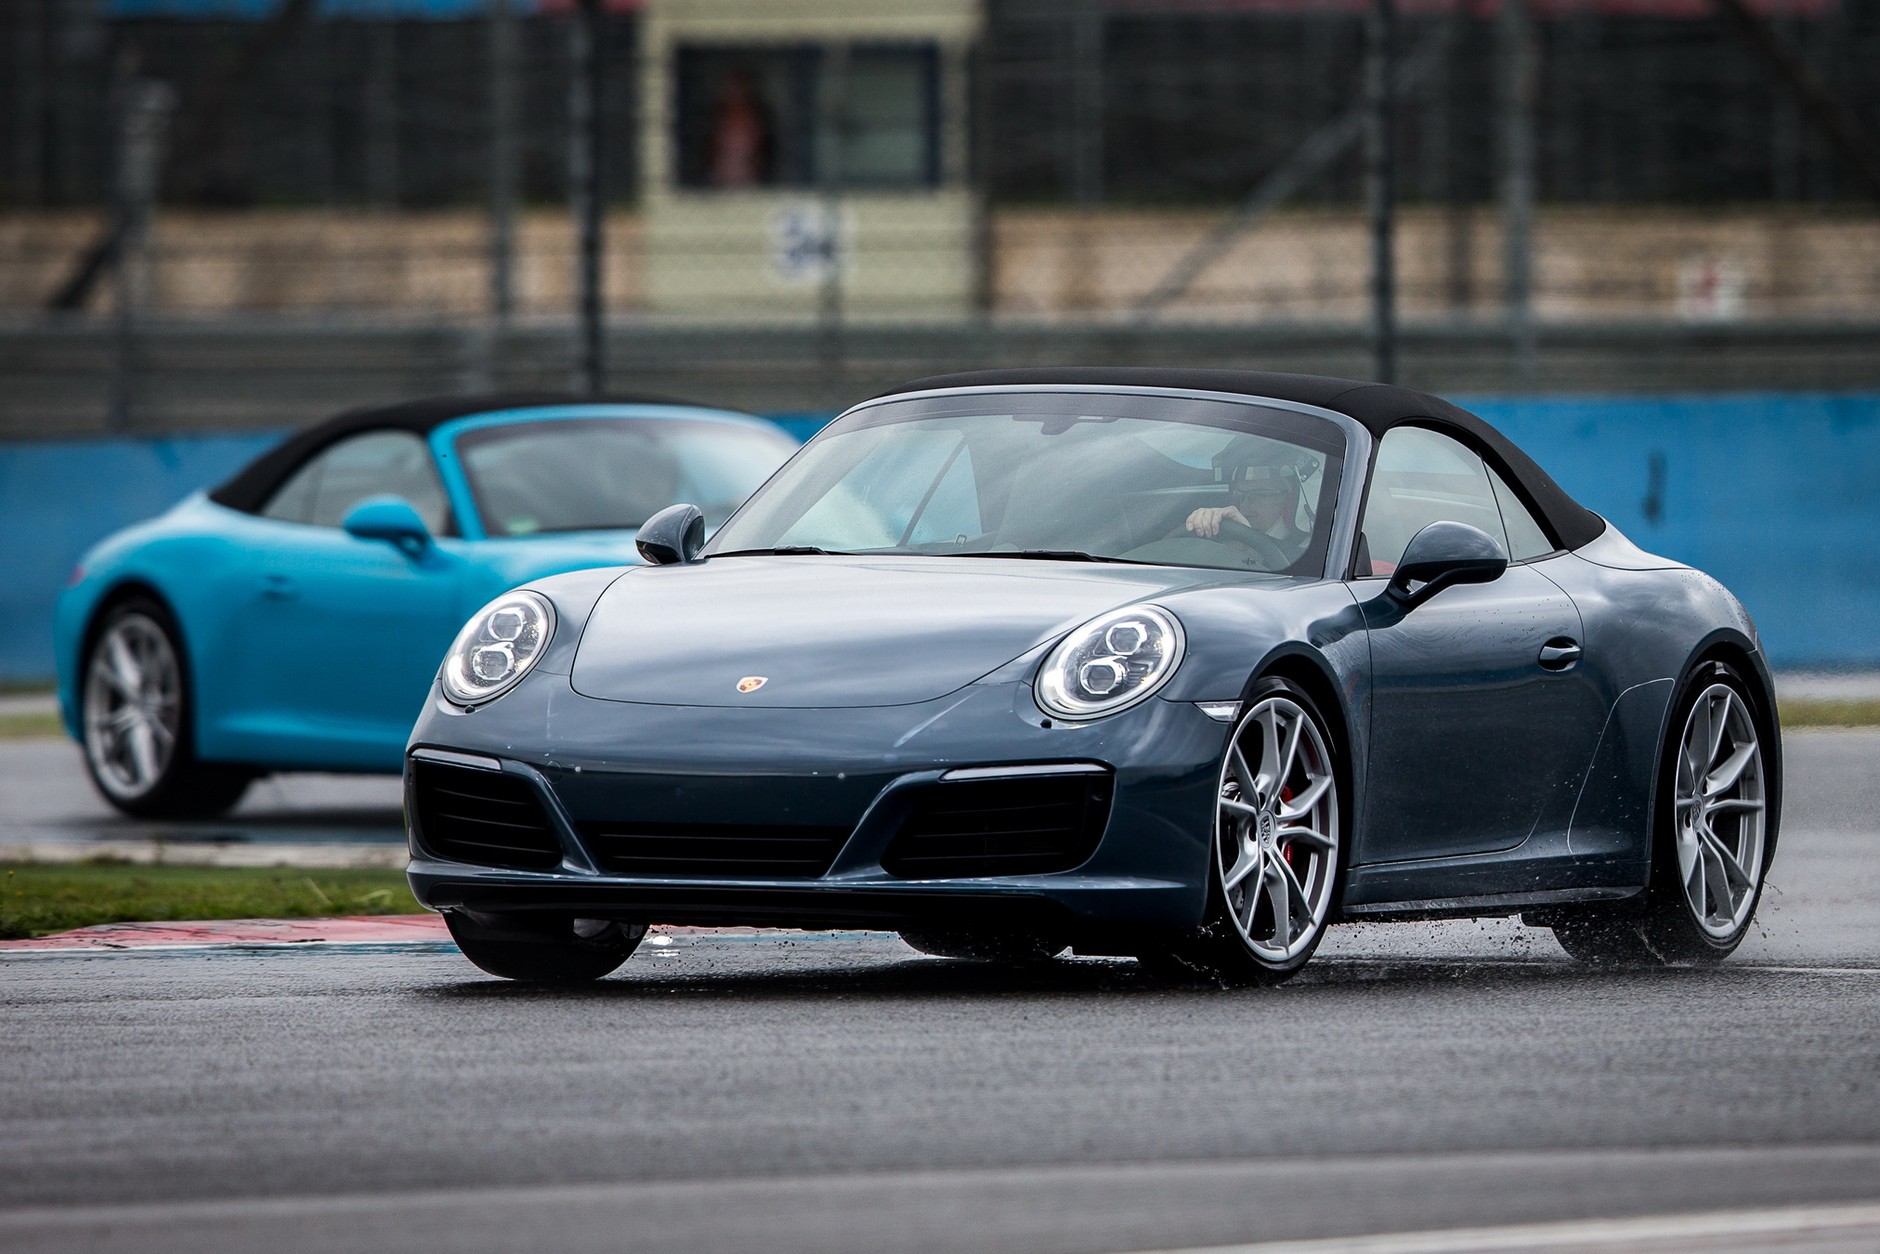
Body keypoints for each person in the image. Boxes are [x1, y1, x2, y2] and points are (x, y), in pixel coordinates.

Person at [1184, 438, 1319, 566]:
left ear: (1296, 498)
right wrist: (1203, 528)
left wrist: (1249, 548)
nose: (1245, 509)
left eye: (1261, 495)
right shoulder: (1226, 538)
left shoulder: (1320, 555)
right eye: (1240, 495)